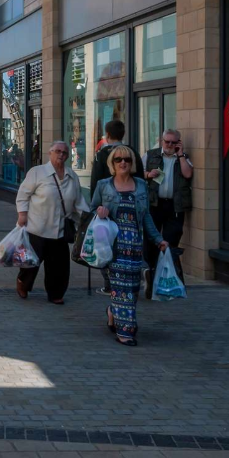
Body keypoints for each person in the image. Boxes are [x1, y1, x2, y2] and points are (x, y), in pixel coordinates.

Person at [91, 145, 169, 346]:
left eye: (126, 159)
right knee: (121, 288)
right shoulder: (104, 185)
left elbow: (146, 217)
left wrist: (158, 239)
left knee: (133, 290)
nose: (123, 162)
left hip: (135, 247)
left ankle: (112, 312)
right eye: (118, 160)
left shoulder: (142, 185)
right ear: (112, 164)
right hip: (113, 247)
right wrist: (99, 213)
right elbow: (91, 212)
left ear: (132, 163)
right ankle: (125, 331)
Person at [15, 141, 88, 303]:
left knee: (59, 266)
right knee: (31, 263)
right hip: (37, 227)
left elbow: (79, 202)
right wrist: (22, 214)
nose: (61, 155)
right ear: (50, 153)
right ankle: (22, 283)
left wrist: (89, 220)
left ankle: (56, 294)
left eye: (64, 152)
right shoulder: (37, 172)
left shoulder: (72, 176)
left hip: (60, 230)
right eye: (58, 151)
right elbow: (23, 194)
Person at [88, 120, 143, 295]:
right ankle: (130, 277)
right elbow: (140, 179)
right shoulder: (132, 152)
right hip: (130, 208)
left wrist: (95, 209)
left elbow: (95, 182)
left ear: (107, 135)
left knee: (107, 245)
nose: (122, 163)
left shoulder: (101, 154)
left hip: (107, 209)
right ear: (123, 134)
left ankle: (110, 283)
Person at [143, 129, 193, 298]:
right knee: (152, 242)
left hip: (174, 207)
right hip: (154, 205)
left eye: (174, 142)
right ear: (161, 141)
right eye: (167, 142)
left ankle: (168, 280)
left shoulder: (182, 158)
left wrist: (180, 155)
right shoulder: (151, 155)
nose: (170, 145)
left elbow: (187, 174)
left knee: (171, 243)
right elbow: (137, 174)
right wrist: (149, 174)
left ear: (179, 143)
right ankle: (151, 278)